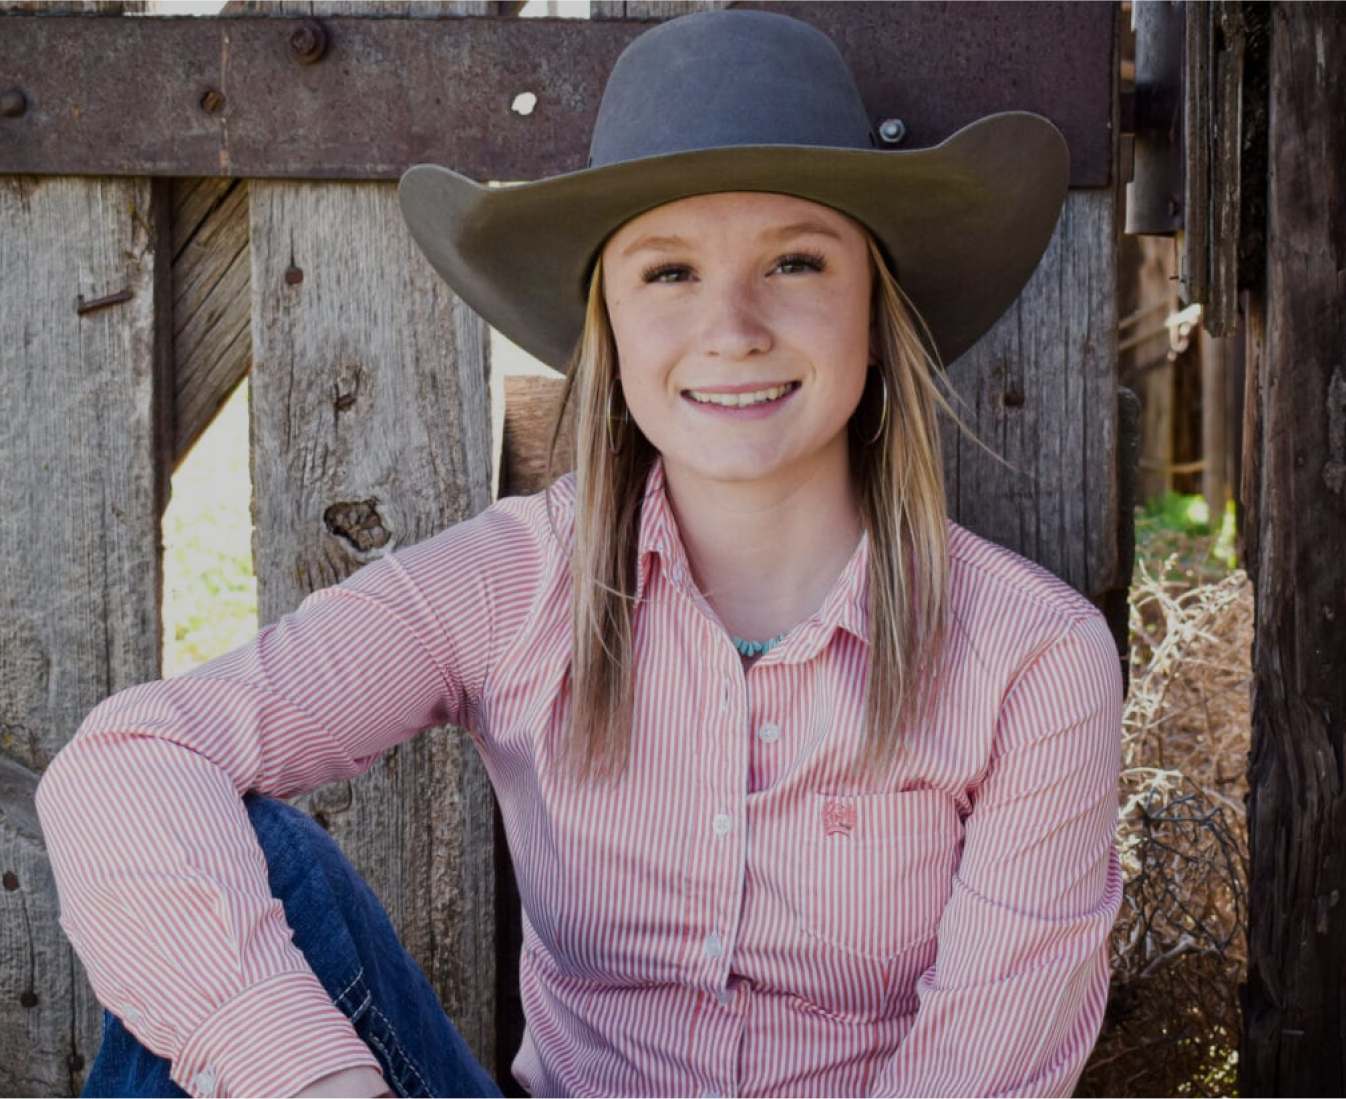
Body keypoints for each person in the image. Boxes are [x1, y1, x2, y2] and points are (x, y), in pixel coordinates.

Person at [35, 9, 1124, 1098]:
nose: (732, 327)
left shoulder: (1030, 657)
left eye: (796, 261)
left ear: (874, 312)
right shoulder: (519, 579)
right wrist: (309, 1078)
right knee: (239, 871)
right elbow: (128, 762)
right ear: (604, 315)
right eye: (667, 272)